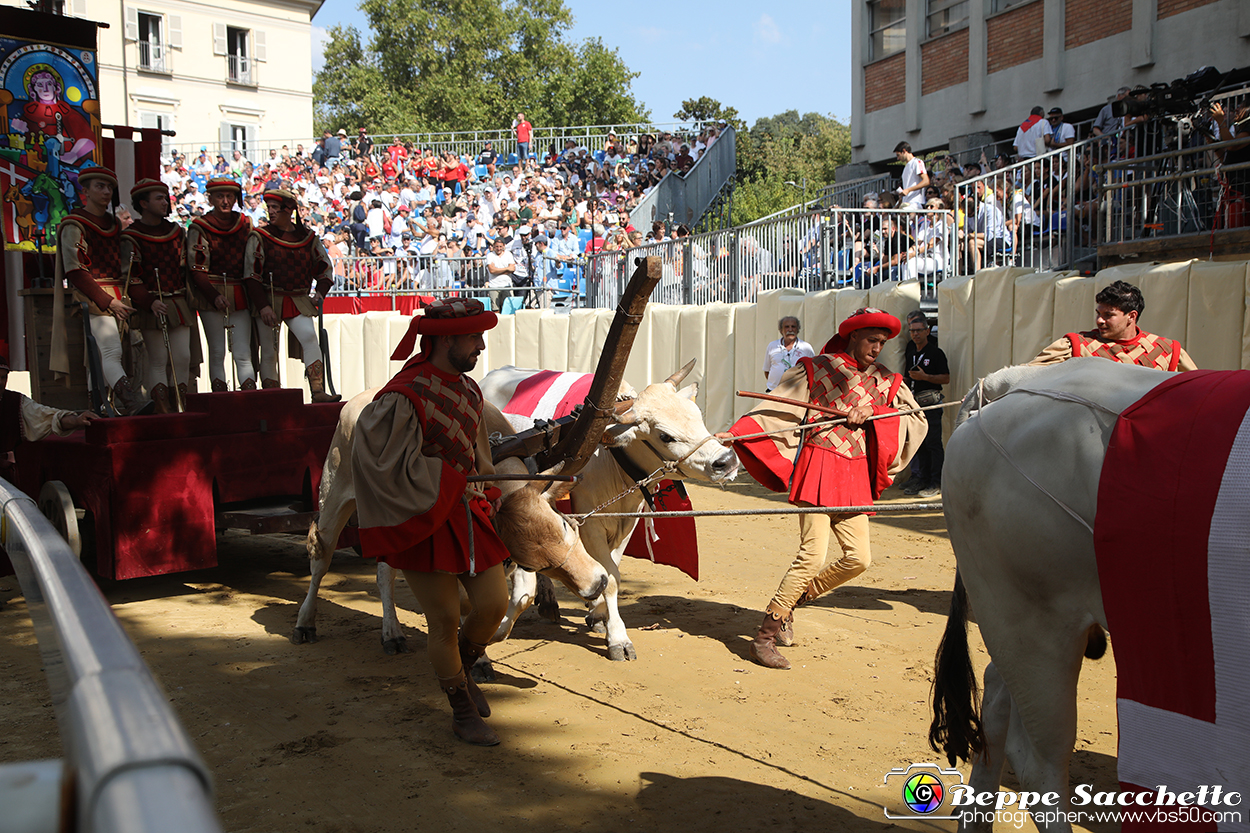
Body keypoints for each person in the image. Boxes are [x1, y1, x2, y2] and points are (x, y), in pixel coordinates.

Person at [715, 308, 927, 669]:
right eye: (872, 340)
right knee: (812, 555)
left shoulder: (889, 382)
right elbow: (776, 405)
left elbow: (912, 420)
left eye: (882, 343)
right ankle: (764, 637)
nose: (878, 348)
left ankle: (793, 601)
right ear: (854, 336)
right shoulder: (818, 367)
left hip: (855, 472)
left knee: (859, 558)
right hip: (820, 464)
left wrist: (875, 416)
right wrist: (737, 433)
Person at [350, 298, 509, 745]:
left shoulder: (470, 391)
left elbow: (479, 458)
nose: (480, 346)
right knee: (441, 621)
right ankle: (461, 710)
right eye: (474, 337)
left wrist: (486, 485)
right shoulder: (405, 394)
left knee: (494, 605)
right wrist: (448, 481)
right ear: (445, 340)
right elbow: (382, 465)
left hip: (466, 512)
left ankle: (460, 668)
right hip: (422, 517)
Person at [50, 166, 140, 414]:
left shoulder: (113, 224)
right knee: (111, 350)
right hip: (95, 297)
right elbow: (75, 271)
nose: (106, 191)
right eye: (99, 186)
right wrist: (107, 301)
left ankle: (97, 408)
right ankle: (131, 404)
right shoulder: (74, 224)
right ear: (86, 191)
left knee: (98, 359)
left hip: (116, 296)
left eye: (109, 187)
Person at [243, 188, 341, 401]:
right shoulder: (260, 236)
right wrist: (262, 306)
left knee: (310, 338)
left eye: (275, 208)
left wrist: (320, 293)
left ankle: (318, 391)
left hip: (297, 299)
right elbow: (251, 275)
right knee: (269, 350)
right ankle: (272, 397)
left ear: (289, 210)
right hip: (269, 300)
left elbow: (325, 268)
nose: (271, 212)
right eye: (269, 208)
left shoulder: (307, 238)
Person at [120, 180, 196, 413]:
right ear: (143, 203)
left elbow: (186, 269)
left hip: (178, 302)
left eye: (166, 198)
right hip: (151, 305)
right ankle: (163, 409)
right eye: (158, 198)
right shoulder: (131, 236)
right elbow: (130, 277)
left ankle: (180, 405)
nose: (165, 202)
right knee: (158, 359)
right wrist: (149, 301)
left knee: (183, 356)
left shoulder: (176, 232)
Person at [1029, 280, 1197, 370]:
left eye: (1108, 315)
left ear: (1131, 316)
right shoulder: (1074, 346)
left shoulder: (1168, 353)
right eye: (1099, 314)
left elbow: (1196, 392)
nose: (1099, 320)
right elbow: (1024, 376)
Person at [187, 177, 257, 390]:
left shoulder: (245, 223)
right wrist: (213, 295)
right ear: (210, 199)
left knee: (242, 352)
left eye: (230, 196)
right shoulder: (199, 227)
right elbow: (196, 267)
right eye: (220, 196)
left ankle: (249, 398)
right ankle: (221, 399)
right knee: (217, 351)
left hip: (239, 292)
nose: (225, 201)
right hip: (211, 292)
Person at [0, 345, 95, 481]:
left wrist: (76, 420)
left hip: (5, 482)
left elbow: (46, 417)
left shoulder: (15, 402)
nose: (0, 382)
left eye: (3, 377)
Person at [901, 312, 949, 497]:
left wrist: (925, 377)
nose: (915, 334)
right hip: (914, 402)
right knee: (919, 442)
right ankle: (922, 479)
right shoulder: (910, 350)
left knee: (933, 443)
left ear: (928, 331)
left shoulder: (936, 353)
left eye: (919, 331)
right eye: (912, 331)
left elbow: (946, 378)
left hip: (931, 402)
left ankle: (936, 482)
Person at [762, 316, 815, 392]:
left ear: (798, 329)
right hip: (774, 391)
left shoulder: (806, 348)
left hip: (797, 392)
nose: (790, 329)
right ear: (781, 330)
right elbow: (767, 371)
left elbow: (813, 371)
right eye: (787, 327)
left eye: (793, 327)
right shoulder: (772, 346)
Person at [894, 142, 929, 211]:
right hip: (907, 202)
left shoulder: (917, 162)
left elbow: (926, 181)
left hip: (915, 203)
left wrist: (908, 190)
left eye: (898, 155)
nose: (898, 158)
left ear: (904, 151)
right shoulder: (906, 167)